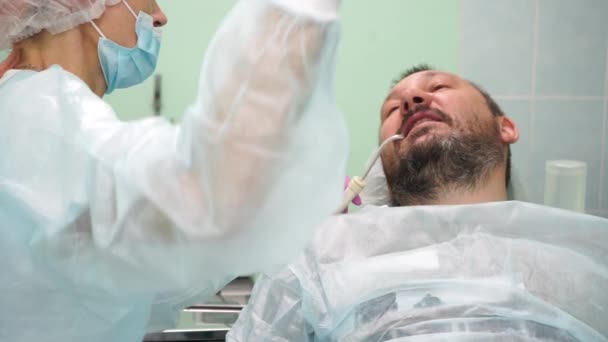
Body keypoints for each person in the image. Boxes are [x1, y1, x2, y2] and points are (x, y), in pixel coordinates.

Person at [0, 0, 348, 341]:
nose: (161, 16)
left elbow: (138, 280)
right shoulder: (46, 121)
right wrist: (298, 14)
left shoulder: (29, 109)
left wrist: (278, 215)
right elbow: (209, 206)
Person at [227, 65, 608, 341]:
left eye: (439, 85)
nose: (410, 99)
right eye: (392, 110)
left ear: (504, 127)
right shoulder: (321, 256)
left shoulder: (587, 254)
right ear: (383, 162)